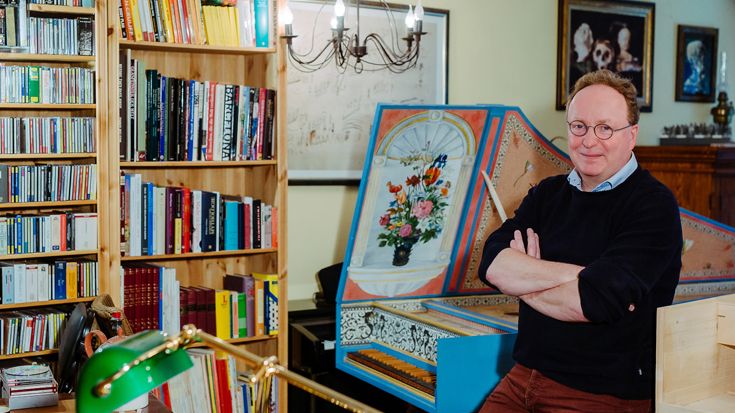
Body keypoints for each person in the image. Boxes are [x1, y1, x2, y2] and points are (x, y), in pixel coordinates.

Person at [476, 69, 682, 412]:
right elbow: (492, 263)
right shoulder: (547, 194)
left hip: (601, 394)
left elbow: (594, 302)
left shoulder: (653, 206)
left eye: (605, 128)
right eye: (579, 126)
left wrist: (526, 276)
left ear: (632, 135)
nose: (589, 141)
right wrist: (577, 275)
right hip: (523, 376)